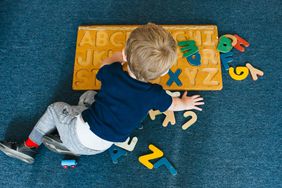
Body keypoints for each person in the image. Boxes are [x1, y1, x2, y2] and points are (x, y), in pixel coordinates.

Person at [0, 23, 204, 164]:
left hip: (79, 133)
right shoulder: (155, 94)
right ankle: (63, 142)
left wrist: (120, 56)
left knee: (56, 108)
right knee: (89, 97)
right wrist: (186, 103)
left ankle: (29, 147)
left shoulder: (112, 73)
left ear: (126, 53)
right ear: (164, 72)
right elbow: (173, 105)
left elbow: (106, 63)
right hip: (101, 147)